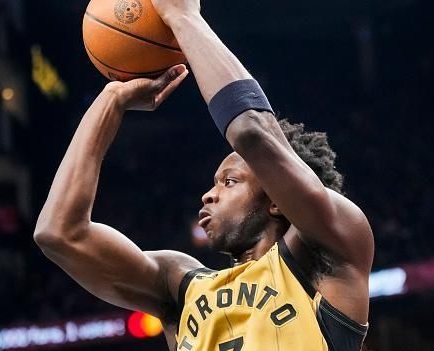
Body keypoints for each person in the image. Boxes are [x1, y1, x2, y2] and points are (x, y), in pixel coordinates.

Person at [34, 0, 374, 350]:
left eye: (229, 182)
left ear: (275, 199)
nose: (208, 195)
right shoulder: (179, 284)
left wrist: (182, 17)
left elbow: (252, 134)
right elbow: (59, 233)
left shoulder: (327, 250)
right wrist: (111, 101)